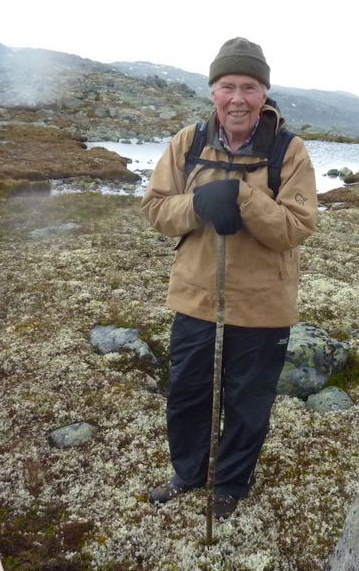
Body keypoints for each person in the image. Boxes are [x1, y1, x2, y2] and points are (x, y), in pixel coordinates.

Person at [140, 37, 317, 519]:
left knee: (248, 400)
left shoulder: (289, 151)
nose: (237, 98)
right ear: (212, 91)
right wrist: (199, 204)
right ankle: (189, 473)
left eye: (249, 87)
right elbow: (156, 208)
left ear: (264, 94)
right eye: (227, 86)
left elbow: (296, 227)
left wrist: (241, 197)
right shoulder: (188, 142)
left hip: (263, 301)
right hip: (196, 296)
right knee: (188, 391)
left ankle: (232, 484)